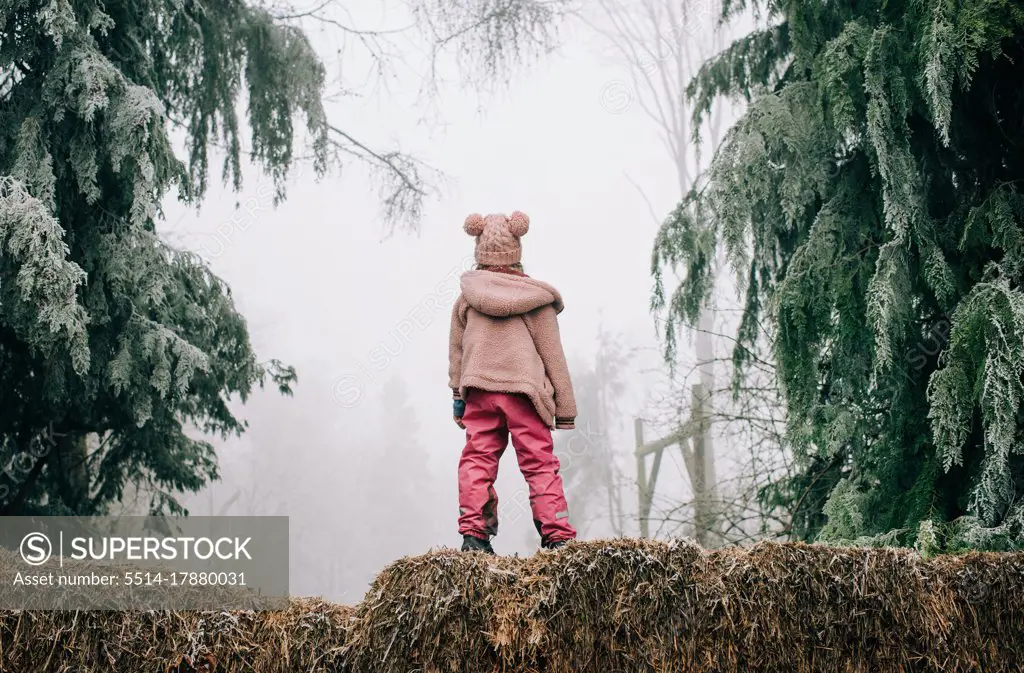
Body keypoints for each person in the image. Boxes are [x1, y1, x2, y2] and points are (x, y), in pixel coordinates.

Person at [448, 210, 578, 554]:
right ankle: (557, 537)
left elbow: (457, 353)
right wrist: (565, 409)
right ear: (517, 250)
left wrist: (457, 399)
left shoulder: (467, 299)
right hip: (525, 394)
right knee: (539, 463)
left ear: (478, 251)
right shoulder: (536, 300)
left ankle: (474, 537)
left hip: (478, 390)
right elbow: (553, 358)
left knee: (477, 458)